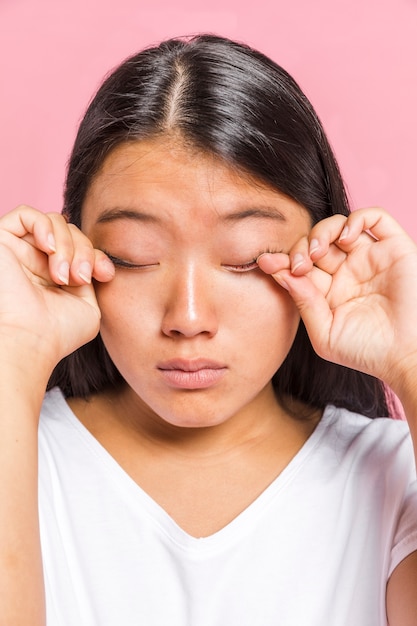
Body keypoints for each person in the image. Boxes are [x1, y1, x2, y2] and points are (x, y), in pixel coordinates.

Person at [0, 34, 416, 626]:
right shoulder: (19, 455)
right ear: (76, 248)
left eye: (246, 259)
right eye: (134, 255)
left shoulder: (396, 476)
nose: (188, 319)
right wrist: (11, 351)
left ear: (323, 248)